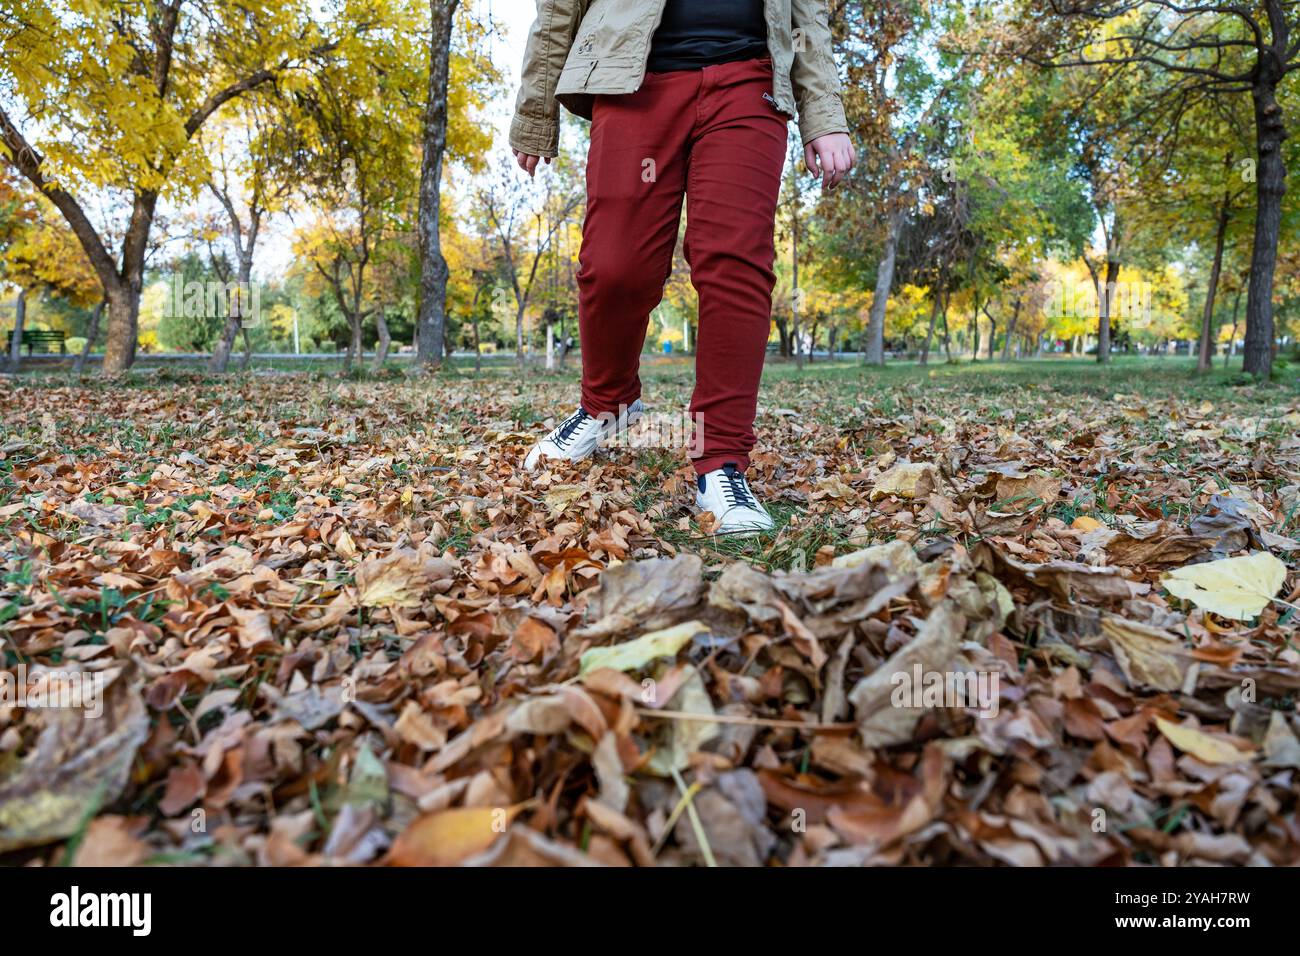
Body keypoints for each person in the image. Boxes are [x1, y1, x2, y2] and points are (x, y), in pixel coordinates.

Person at [511, 0, 855, 534]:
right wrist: (536, 113)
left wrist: (824, 115)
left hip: (750, 81)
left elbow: (808, 16)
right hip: (633, 78)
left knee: (736, 262)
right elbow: (559, 8)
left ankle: (720, 461)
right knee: (614, 266)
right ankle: (608, 402)